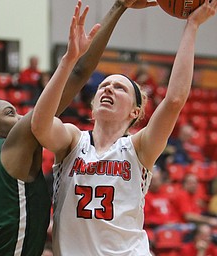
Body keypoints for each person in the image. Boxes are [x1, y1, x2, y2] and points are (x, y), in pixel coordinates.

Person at [0, 0, 158, 254]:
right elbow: (78, 74)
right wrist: (118, 7)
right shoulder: (18, 143)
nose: (22, 116)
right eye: (10, 113)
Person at [30, 1, 217, 255]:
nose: (108, 88)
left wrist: (192, 26)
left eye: (120, 88)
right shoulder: (73, 140)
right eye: (104, 86)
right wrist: (69, 60)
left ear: (135, 112)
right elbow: (39, 124)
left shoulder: (139, 148)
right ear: (93, 106)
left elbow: (174, 101)